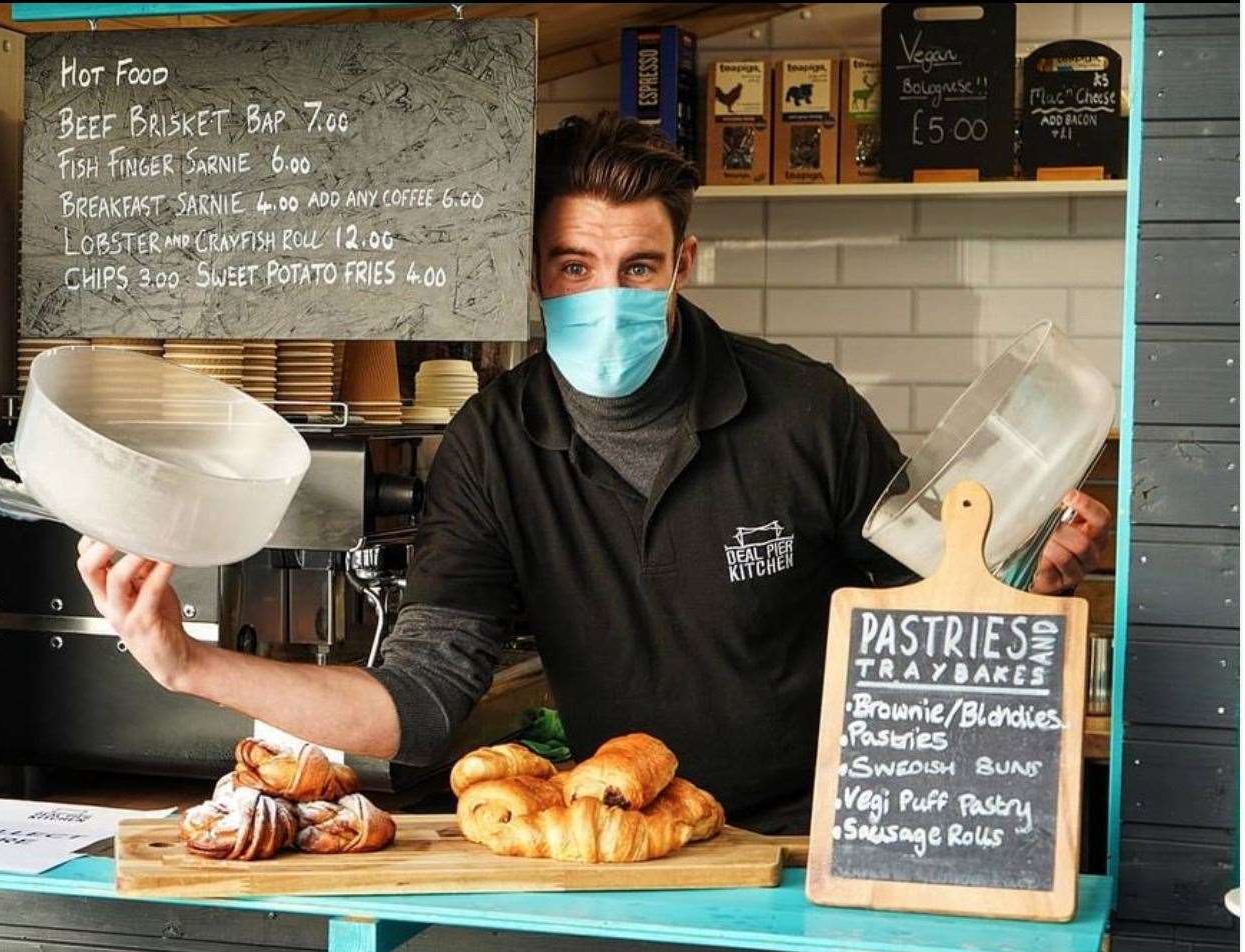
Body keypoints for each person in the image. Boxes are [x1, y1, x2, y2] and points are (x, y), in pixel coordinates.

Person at [76, 113, 1110, 832]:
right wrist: (187, 666)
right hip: (624, 828)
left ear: (684, 264)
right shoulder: (495, 441)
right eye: (575, 268)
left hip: (817, 832)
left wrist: (1032, 577)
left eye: (637, 269)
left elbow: (925, 611)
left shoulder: (803, 408)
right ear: (536, 272)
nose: (605, 296)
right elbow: (425, 699)